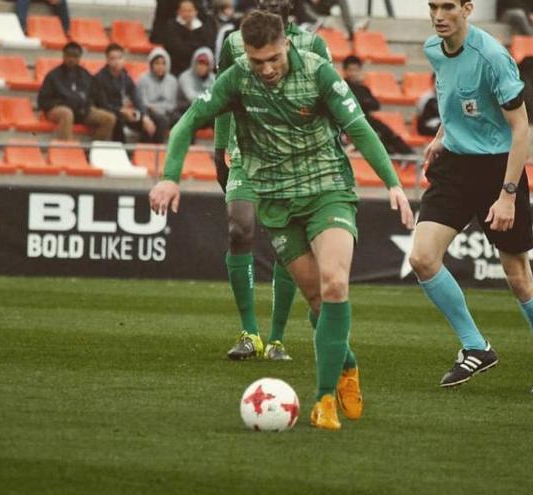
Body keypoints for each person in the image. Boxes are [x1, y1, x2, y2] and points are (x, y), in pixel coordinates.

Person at [150, 11, 414, 430]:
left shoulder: (319, 73)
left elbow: (359, 127)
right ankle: (347, 365)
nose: (267, 69)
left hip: (328, 191)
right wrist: (169, 178)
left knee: (334, 285)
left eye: (273, 58)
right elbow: (186, 124)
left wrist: (393, 184)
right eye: (258, 62)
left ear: (286, 45)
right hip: (276, 201)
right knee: (316, 302)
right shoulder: (237, 78)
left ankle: (324, 399)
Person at [412, 0, 533, 394]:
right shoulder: (434, 49)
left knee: (518, 277)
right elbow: (457, 106)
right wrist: (439, 138)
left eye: (448, 6)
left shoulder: (493, 57)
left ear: (468, 9)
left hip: (500, 169)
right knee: (422, 257)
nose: (439, 15)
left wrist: (508, 195)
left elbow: (521, 130)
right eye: (433, 6)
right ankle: (476, 347)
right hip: (454, 167)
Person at [212, 0, 331, 362]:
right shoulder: (234, 42)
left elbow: (329, 102)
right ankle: (250, 333)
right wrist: (220, 148)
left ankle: (277, 339)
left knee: (288, 242)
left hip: (295, 159)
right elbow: (223, 95)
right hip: (247, 153)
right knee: (239, 227)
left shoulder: (313, 44)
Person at [38, 42, 116, 141]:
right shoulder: (53, 76)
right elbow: (43, 100)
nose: (72, 59)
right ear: (63, 56)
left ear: (80, 57)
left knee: (109, 118)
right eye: (69, 56)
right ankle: (68, 151)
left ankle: (92, 151)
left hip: (81, 110)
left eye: (75, 56)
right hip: (58, 109)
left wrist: (87, 105)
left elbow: (94, 95)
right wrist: (64, 103)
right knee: (66, 113)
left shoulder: (85, 75)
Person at [342, 55, 414, 155]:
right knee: (376, 136)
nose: (353, 73)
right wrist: (364, 102)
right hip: (351, 121)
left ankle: (409, 154)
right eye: (351, 70)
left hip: (366, 118)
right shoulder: (342, 88)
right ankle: (391, 155)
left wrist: (362, 102)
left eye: (356, 70)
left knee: (387, 131)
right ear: (344, 70)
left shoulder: (363, 89)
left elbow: (375, 104)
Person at [95, 43, 158, 143]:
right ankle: (122, 153)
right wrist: (121, 111)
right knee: (117, 120)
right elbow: (102, 104)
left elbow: (136, 98)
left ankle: (145, 153)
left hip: (126, 113)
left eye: (119, 58)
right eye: (113, 58)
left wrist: (145, 116)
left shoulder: (125, 77)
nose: (117, 62)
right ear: (107, 60)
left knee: (156, 119)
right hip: (112, 113)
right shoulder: (99, 78)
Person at [136, 47, 180, 143]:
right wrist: (153, 109)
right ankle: (158, 151)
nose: (160, 66)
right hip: (149, 112)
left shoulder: (172, 80)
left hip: (167, 111)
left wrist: (157, 108)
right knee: (160, 120)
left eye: (163, 63)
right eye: (157, 63)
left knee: (183, 119)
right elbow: (143, 102)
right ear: (151, 64)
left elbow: (172, 104)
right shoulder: (143, 79)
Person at [163, 0, 217, 77]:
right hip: (177, 68)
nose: (187, 14)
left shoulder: (204, 26)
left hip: (200, 67)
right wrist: (195, 46)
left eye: (190, 11)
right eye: (184, 11)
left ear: (196, 12)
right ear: (178, 12)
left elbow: (208, 46)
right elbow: (177, 49)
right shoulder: (171, 26)